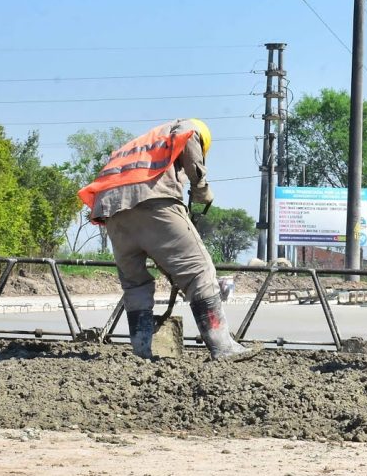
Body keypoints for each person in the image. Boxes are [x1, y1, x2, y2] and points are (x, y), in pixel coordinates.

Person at [78, 118, 248, 361]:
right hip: (152, 202)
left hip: (112, 212)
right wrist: (201, 190)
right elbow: (190, 138)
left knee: (135, 285)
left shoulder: (140, 144)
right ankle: (223, 347)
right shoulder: (188, 127)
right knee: (200, 272)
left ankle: (141, 351)